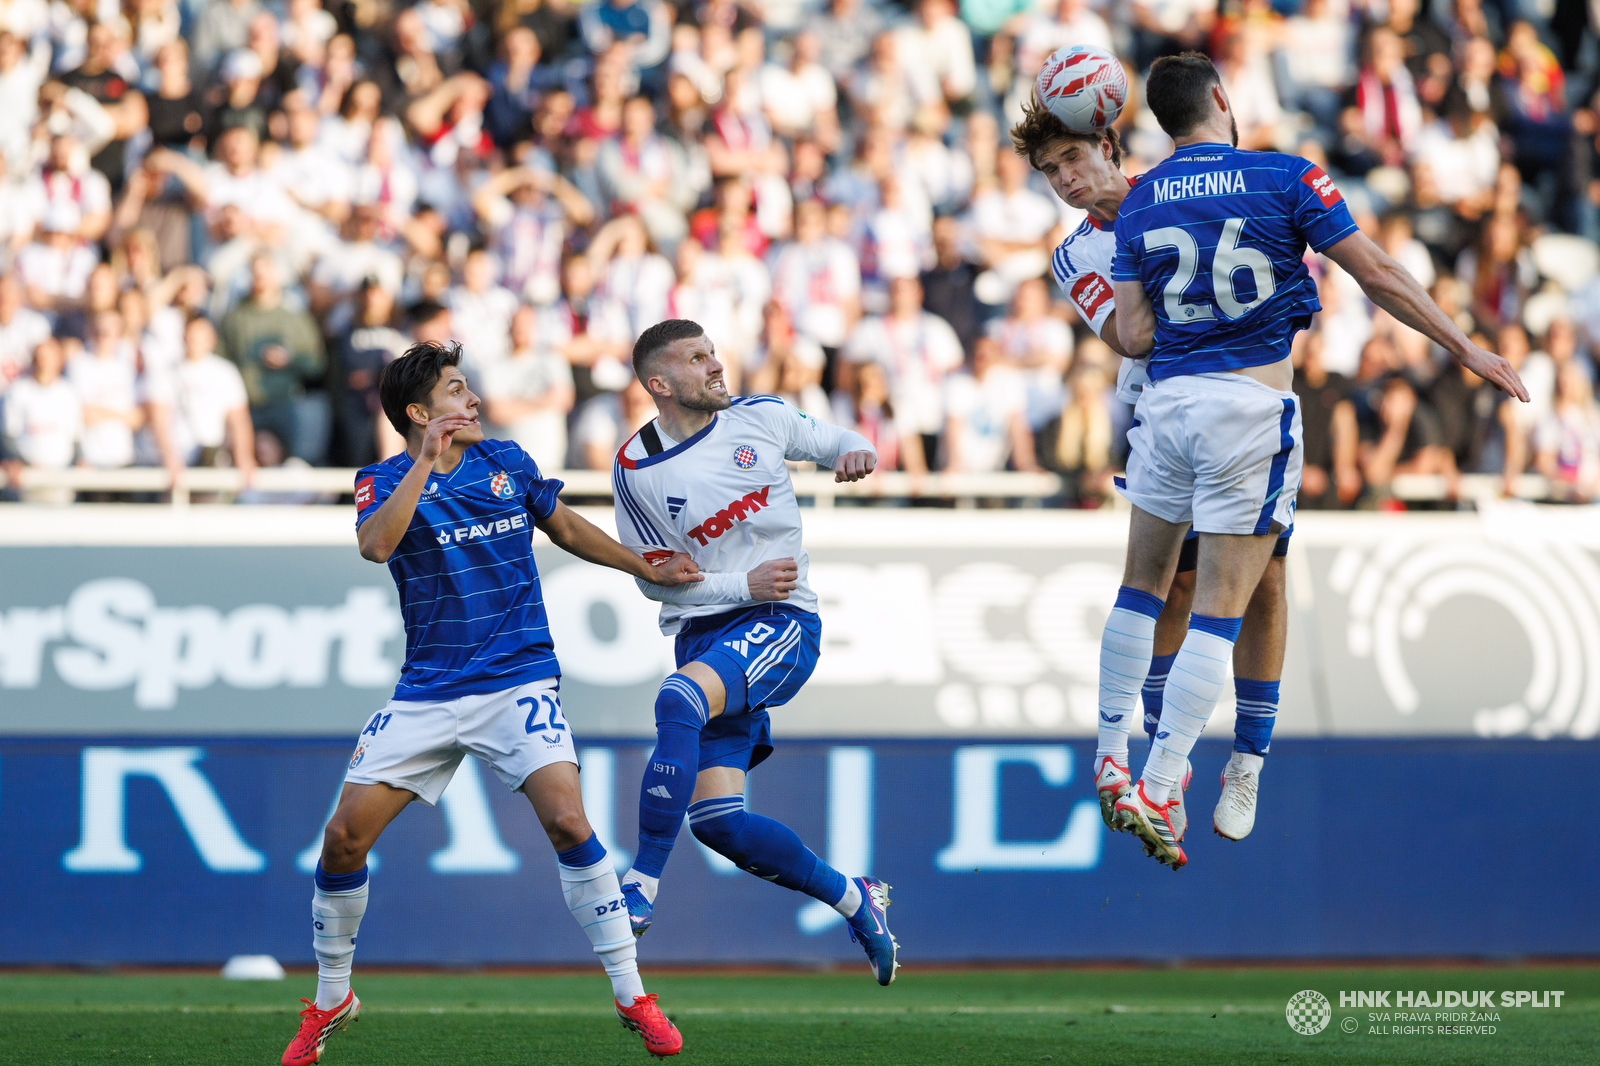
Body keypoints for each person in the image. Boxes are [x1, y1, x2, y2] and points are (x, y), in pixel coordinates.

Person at [1103, 53, 1524, 868]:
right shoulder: (1286, 176)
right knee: (1229, 600)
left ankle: (1126, 758)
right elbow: (1379, 273)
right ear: (1223, 98)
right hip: (1251, 410)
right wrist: (1465, 347)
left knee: (1151, 587)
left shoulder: (1142, 196)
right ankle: (1165, 777)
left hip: (1166, 412)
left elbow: (1135, 336)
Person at [280, 341, 697, 1065]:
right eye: (455, 390)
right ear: (419, 413)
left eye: (469, 389)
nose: (472, 401)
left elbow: (563, 525)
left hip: (518, 677)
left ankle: (632, 994)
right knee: (343, 839)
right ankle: (330, 999)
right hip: (429, 691)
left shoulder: (506, 461)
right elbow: (377, 548)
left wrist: (641, 563)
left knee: (568, 820)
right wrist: (421, 462)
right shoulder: (380, 480)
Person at [1013, 94, 1288, 844]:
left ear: (1109, 144)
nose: (1064, 180)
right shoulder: (1075, 252)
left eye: (1071, 159)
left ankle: (1244, 763)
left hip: (1240, 404)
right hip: (1167, 417)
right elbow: (1130, 336)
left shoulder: (1183, 192)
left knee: (1264, 582)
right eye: (1049, 172)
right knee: (1173, 587)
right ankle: (1160, 767)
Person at [608, 318, 898, 985]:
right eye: (697, 358)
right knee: (719, 823)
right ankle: (856, 898)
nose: (715, 365)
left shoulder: (760, 418)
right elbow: (655, 575)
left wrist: (856, 450)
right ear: (661, 383)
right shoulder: (636, 468)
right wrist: (739, 580)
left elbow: (839, 439)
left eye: (713, 352)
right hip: (706, 632)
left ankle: (641, 884)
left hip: (782, 619)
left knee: (678, 698)